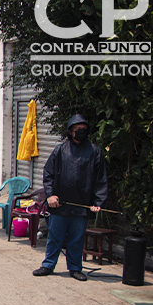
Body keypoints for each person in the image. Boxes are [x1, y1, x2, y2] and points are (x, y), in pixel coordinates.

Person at [33, 114, 107, 281]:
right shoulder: (60, 150)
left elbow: (100, 179)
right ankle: (48, 265)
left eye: (84, 130)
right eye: (77, 130)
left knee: (77, 238)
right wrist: (50, 195)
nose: (81, 132)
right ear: (70, 131)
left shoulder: (94, 152)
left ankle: (75, 268)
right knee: (55, 236)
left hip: (82, 204)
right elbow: (48, 173)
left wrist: (98, 202)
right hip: (59, 204)